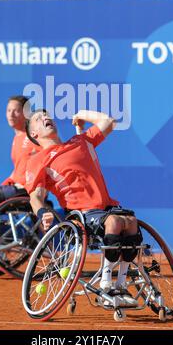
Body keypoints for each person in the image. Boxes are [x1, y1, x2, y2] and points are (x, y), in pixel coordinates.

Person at [24, 109, 142, 304]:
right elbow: (35, 196)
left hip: (108, 207)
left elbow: (109, 121)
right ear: (34, 134)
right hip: (82, 214)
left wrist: (81, 114)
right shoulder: (38, 160)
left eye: (47, 116)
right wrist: (42, 211)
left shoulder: (81, 141)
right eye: (38, 118)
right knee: (114, 222)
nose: (46, 118)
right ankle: (106, 286)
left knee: (130, 222)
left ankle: (121, 286)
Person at [0, 96, 42, 234]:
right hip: (16, 188)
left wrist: (37, 188)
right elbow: (17, 170)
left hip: (27, 190)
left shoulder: (35, 136)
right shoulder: (17, 138)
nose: (11, 114)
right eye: (8, 110)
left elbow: (46, 162)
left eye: (16, 111)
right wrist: (3, 185)